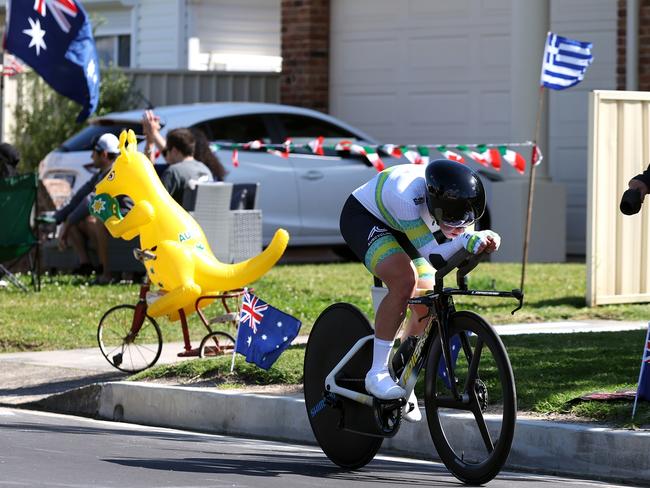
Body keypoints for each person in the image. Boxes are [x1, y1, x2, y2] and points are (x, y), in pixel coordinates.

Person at [339, 159, 500, 422]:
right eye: (451, 221)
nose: (459, 227)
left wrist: (485, 243)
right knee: (404, 282)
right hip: (367, 218)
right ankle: (377, 373)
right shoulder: (406, 195)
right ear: (435, 204)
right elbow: (436, 256)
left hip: (410, 228)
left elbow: (459, 247)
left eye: (465, 222)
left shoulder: (461, 201)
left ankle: (402, 375)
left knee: (427, 301)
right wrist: (464, 240)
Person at [48, 133, 128, 284]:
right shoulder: (100, 174)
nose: (91, 156)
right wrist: (56, 219)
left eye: (94, 153)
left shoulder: (114, 173)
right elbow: (78, 199)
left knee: (94, 221)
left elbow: (91, 201)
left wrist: (66, 224)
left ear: (104, 154)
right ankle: (87, 265)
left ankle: (107, 273)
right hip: (112, 219)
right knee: (77, 220)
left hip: (125, 219)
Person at [141, 109, 225, 182]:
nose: (167, 154)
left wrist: (152, 136)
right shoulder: (206, 171)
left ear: (176, 152)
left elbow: (149, 175)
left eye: (170, 150)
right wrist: (151, 138)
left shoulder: (174, 172)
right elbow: (151, 167)